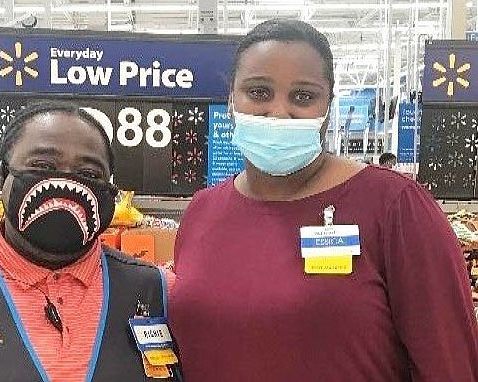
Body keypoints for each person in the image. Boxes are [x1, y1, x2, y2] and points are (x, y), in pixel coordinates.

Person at [168, 19, 478, 381]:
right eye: (258, 92)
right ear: (231, 100)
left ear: (328, 107)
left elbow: (451, 364)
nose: (279, 112)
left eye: (303, 96)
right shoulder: (203, 212)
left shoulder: (395, 208)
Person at [0, 101, 180, 381]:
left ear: (111, 191)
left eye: (89, 174)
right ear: (0, 179)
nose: (68, 182)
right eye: (42, 165)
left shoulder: (161, 293)